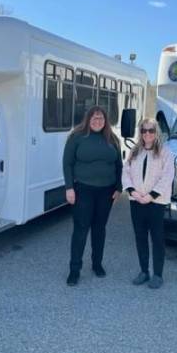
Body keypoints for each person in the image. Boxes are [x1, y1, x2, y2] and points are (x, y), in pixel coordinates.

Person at [63, 106, 122, 286]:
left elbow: (119, 164)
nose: (98, 121)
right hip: (83, 190)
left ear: (106, 121)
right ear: (88, 119)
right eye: (95, 118)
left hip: (106, 191)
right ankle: (74, 270)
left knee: (99, 229)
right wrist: (69, 187)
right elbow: (67, 163)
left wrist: (119, 187)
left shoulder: (113, 139)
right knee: (81, 229)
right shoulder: (76, 137)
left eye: (101, 119)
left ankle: (97, 264)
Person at [122, 118, 175, 289]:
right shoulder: (134, 151)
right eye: (144, 130)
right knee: (140, 237)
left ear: (156, 132)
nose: (147, 134)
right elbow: (126, 172)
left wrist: (151, 195)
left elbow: (167, 177)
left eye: (151, 130)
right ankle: (144, 271)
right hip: (136, 201)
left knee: (157, 239)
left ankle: (158, 274)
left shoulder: (166, 152)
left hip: (156, 203)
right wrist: (132, 191)